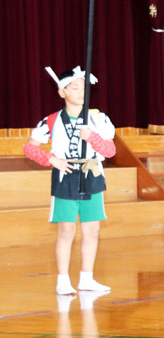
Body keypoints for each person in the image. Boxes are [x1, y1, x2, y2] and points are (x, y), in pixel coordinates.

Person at [23, 67, 116, 295]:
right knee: (66, 230)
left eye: (83, 87)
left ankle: (87, 278)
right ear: (62, 92)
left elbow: (111, 150)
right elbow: (28, 147)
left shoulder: (99, 118)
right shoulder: (51, 121)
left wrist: (92, 137)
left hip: (92, 174)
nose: (80, 91)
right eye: (74, 87)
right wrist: (50, 159)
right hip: (65, 176)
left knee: (92, 229)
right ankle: (63, 280)